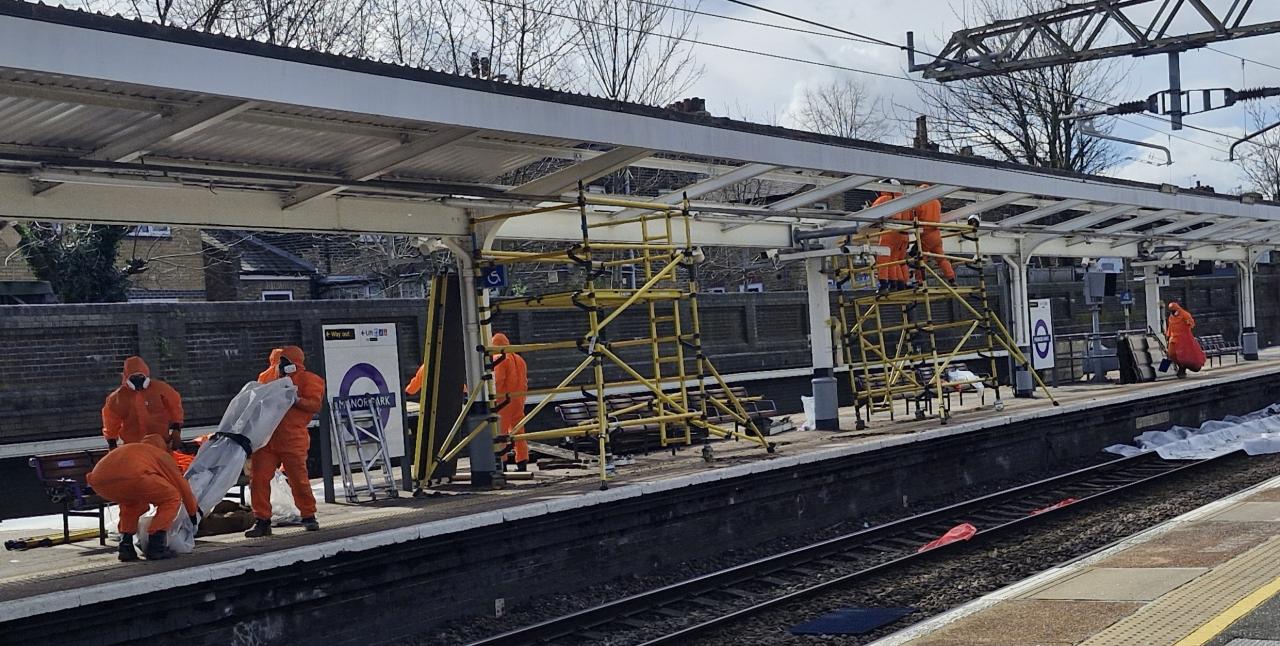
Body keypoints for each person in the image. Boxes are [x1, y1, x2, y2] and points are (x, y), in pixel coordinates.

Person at [246, 345, 324, 537]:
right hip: (266, 438)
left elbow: (315, 405)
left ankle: (308, 515)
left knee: (299, 479)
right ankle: (262, 520)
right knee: (258, 479)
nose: (282, 366)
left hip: (291, 438)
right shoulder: (266, 377)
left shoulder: (310, 380)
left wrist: (297, 399)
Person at [87, 434, 198, 562]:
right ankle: (156, 546)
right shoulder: (160, 454)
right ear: (162, 445)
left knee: (132, 504)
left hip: (99, 482)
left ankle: (125, 547)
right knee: (172, 497)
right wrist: (192, 513)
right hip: (134, 477)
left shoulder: (133, 449)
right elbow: (182, 486)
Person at [102, 356, 184, 451]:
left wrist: (176, 429)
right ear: (126, 378)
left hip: (161, 445)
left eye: (140, 376)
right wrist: (112, 443)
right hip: (133, 448)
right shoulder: (118, 398)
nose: (138, 380)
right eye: (133, 377)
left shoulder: (160, 389)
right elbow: (110, 420)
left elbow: (175, 406)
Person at [491, 333, 529, 470]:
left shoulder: (499, 358)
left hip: (504, 401)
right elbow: (524, 380)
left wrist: (492, 396)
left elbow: (498, 381)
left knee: (501, 433)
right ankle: (522, 461)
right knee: (519, 431)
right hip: (519, 399)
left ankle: (503, 463)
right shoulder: (519, 359)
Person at [872, 191, 911, 292]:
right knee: (895, 261)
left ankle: (884, 284)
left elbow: (871, 214)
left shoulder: (884, 199)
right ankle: (899, 283)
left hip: (889, 232)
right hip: (902, 234)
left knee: (883, 260)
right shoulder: (904, 201)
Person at [913, 194, 956, 284]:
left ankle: (919, 281)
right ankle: (951, 278)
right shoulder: (936, 202)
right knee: (941, 258)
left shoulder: (920, 202)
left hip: (925, 233)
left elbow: (915, 214)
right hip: (936, 233)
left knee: (921, 258)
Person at [1166, 302, 1198, 378]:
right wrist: (1168, 336)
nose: (1173, 312)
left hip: (1182, 339)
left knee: (1181, 356)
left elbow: (1192, 323)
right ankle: (1162, 371)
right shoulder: (1171, 317)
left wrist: (1189, 323)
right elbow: (1170, 327)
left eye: (1174, 310)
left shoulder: (1185, 314)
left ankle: (1181, 370)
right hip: (1173, 338)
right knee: (1170, 354)